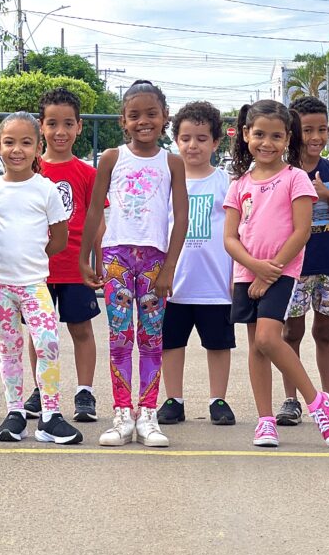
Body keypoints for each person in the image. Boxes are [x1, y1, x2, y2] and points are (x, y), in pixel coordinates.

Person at [224, 99, 329, 450]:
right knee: (255, 345)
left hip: (282, 272)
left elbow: (301, 232)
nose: (267, 143)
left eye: (276, 136)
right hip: (247, 273)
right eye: (259, 134)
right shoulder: (239, 184)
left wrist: (269, 271)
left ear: (287, 138)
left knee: (268, 338)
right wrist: (254, 267)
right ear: (246, 134)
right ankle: (265, 422)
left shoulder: (296, 179)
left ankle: (318, 402)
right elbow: (230, 238)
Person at [80, 79, 188, 448]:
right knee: (120, 336)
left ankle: (149, 414)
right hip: (116, 258)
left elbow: (181, 217)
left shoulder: (172, 162)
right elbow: (95, 209)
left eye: (152, 114)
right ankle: (123, 413)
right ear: (122, 121)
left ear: (165, 117)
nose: (144, 121)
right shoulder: (112, 157)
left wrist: (170, 267)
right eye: (134, 115)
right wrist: (85, 257)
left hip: (155, 259)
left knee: (152, 337)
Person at [0, 112, 82, 446]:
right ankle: (14, 412)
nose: (17, 150)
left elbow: (59, 238)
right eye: (9, 142)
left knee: (48, 343)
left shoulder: (47, 190)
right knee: (9, 348)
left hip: (33, 283)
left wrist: (32, 259)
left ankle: (50, 415)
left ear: (38, 147)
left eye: (26, 143)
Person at [20, 87, 103, 424]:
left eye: (68, 124)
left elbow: (97, 222)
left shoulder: (88, 174)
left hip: (75, 268)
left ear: (79, 127)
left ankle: (85, 393)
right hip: (36, 269)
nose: (60, 132)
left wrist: (97, 262)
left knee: (81, 330)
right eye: (52, 123)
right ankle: (42, 388)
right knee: (39, 333)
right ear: (41, 127)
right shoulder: (29, 173)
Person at [278, 96, 329, 427]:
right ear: (293, 132)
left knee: (324, 332)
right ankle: (291, 399)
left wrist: (327, 195)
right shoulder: (282, 172)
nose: (315, 137)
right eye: (307, 129)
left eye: (322, 129)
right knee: (291, 333)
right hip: (293, 267)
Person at [157, 101, 236, 427]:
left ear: (216, 142)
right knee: (171, 343)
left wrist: (236, 274)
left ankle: (218, 399)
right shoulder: (166, 181)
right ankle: (173, 399)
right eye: (186, 138)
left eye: (202, 138)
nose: (193, 145)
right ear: (176, 140)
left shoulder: (225, 182)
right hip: (173, 283)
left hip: (215, 284)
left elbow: (237, 231)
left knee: (217, 345)